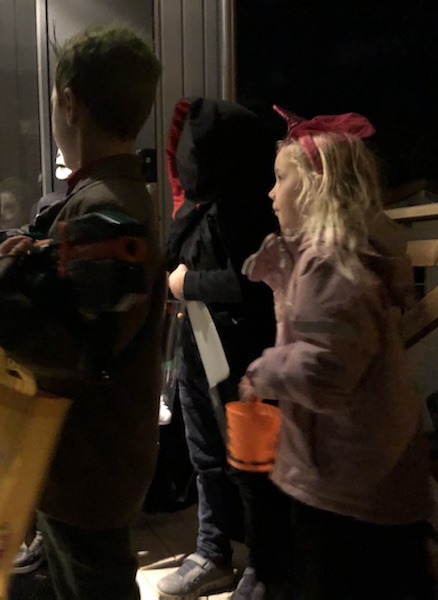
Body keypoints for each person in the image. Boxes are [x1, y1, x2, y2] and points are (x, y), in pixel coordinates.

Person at [0, 24, 163, 599]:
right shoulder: (108, 195)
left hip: (88, 463)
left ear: (70, 103)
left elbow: (73, 347)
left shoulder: (105, 206)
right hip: (88, 457)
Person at [238, 107, 432, 599]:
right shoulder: (345, 254)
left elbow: (324, 370)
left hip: (344, 486)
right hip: (371, 475)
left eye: (281, 178)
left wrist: (261, 371)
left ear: (315, 186)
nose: (271, 193)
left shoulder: (328, 263)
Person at [156, 97, 281, 600]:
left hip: (247, 358)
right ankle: (213, 551)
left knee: (253, 466)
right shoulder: (201, 205)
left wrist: (187, 284)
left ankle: (265, 566)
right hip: (199, 349)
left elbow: (255, 284)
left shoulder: (253, 207)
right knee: (204, 454)